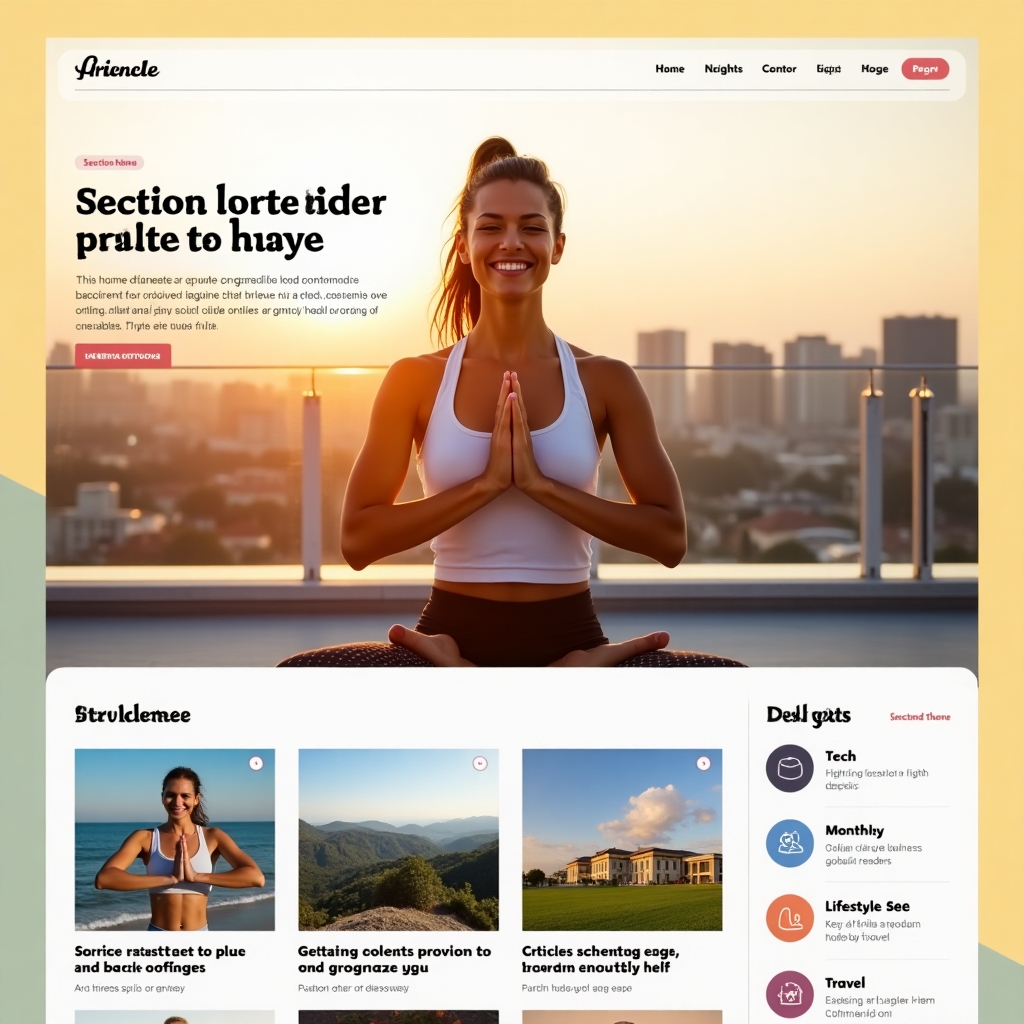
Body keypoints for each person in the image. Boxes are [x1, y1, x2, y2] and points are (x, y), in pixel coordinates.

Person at [284, 137, 741, 669]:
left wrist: (540, 486)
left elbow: (669, 538)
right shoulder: (415, 379)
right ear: (463, 244)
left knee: (737, 687)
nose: (511, 243)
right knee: (296, 677)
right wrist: (486, 486)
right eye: (491, 227)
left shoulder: (606, 379)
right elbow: (358, 542)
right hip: (445, 641)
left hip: (573, 642)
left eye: (531, 227)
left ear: (558, 245)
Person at [94, 766, 265, 931]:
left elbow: (256, 877)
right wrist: (169, 879)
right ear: (162, 797)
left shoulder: (213, 837)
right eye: (171, 795)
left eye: (185, 796)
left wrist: (197, 876)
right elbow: (104, 879)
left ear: (196, 799)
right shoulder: (145, 838)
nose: (177, 802)